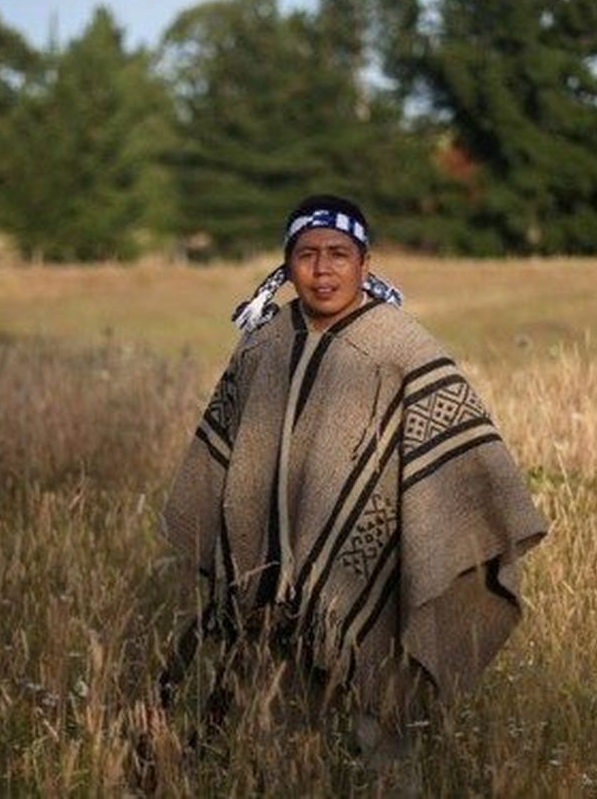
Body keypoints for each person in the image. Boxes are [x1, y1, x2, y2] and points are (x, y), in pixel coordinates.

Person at [161, 194, 547, 755]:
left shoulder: (402, 348)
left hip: (372, 571)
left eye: (339, 254)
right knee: (275, 737)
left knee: (379, 723)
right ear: (285, 266)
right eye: (307, 254)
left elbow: (464, 459)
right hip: (269, 584)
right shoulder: (262, 345)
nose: (323, 270)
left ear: (365, 263)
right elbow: (230, 459)